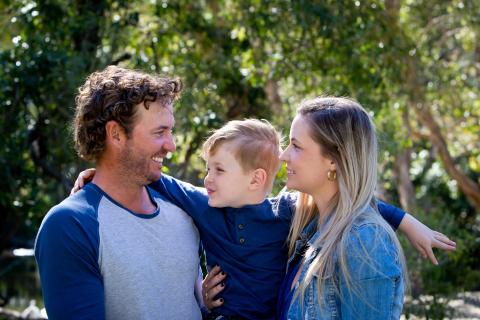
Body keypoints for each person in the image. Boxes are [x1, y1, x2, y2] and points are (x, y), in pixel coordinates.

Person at [73, 119, 455, 319]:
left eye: (218, 170)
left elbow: (358, 204)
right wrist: (103, 176)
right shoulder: (204, 204)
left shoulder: (290, 212)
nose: (206, 179)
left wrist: (408, 223)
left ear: (257, 179)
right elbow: (160, 180)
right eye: (208, 169)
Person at [34, 66, 203, 320]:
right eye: (159, 132)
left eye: (171, 131)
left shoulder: (184, 210)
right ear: (115, 134)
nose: (171, 145)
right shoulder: (69, 225)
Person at [275, 97, 409, 319]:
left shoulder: (364, 242)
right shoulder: (310, 229)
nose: (283, 155)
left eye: (296, 145)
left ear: (333, 160)